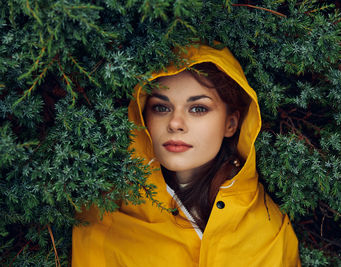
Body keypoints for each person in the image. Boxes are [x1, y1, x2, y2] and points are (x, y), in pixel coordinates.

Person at [72, 44, 301, 266]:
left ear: (230, 123)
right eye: (161, 107)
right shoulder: (107, 211)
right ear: (142, 117)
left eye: (198, 108)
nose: (175, 123)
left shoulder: (268, 229)